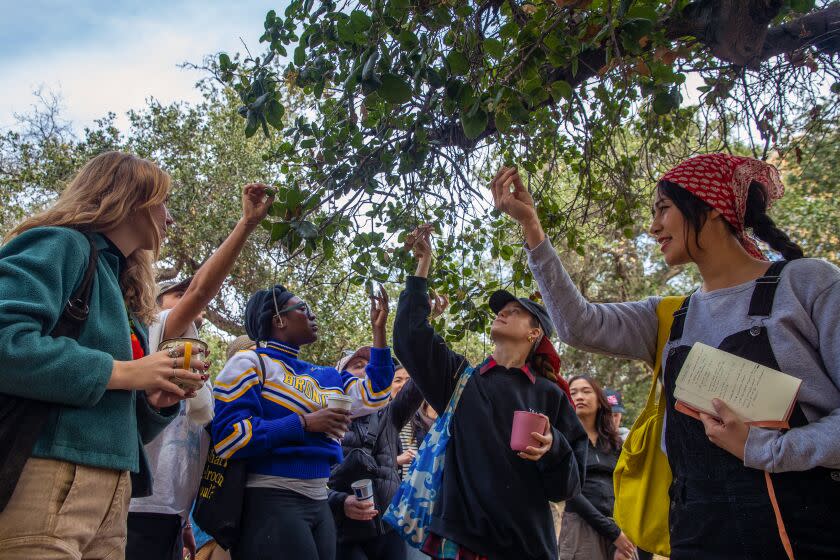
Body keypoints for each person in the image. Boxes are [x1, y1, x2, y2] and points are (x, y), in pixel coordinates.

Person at [492, 155, 840, 559]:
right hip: (696, 536)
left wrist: (769, 449)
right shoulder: (670, 315)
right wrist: (531, 228)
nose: (653, 226)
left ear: (710, 207)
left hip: (803, 532)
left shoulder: (807, 282)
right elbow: (577, 324)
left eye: (663, 209)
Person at [0, 151, 206, 558]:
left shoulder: (118, 287)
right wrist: (125, 372)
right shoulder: (61, 244)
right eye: (163, 202)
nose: (169, 219)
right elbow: (7, 342)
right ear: (131, 198)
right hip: (47, 476)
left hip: (115, 495)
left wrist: (153, 402)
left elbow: (112, 412)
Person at [393, 226, 587, 560]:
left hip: (527, 546)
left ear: (534, 333)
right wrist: (421, 268)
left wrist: (552, 446)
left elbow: (566, 488)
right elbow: (411, 338)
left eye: (515, 312)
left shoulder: (550, 395)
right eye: (502, 309)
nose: (503, 312)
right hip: (463, 539)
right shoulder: (460, 379)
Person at [127, 183, 273, 560]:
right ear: (159, 303)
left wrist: (183, 520)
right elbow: (199, 292)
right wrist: (245, 225)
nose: (196, 310)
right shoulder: (156, 326)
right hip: (137, 505)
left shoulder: (194, 363)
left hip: (170, 510)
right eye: (178, 296)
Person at [211, 285, 395, 560]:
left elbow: (376, 392)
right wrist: (305, 423)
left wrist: (379, 331)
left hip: (320, 501)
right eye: (303, 309)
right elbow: (229, 437)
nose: (313, 315)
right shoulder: (250, 364)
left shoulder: (328, 376)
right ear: (279, 320)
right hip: (271, 499)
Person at [559, 376, 635, 560]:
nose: (579, 396)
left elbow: (627, 487)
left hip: (619, 526)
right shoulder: (562, 441)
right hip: (581, 527)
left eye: (586, 391)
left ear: (600, 401)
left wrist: (623, 533)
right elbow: (571, 494)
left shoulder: (614, 443)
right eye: (573, 392)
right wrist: (613, 533)